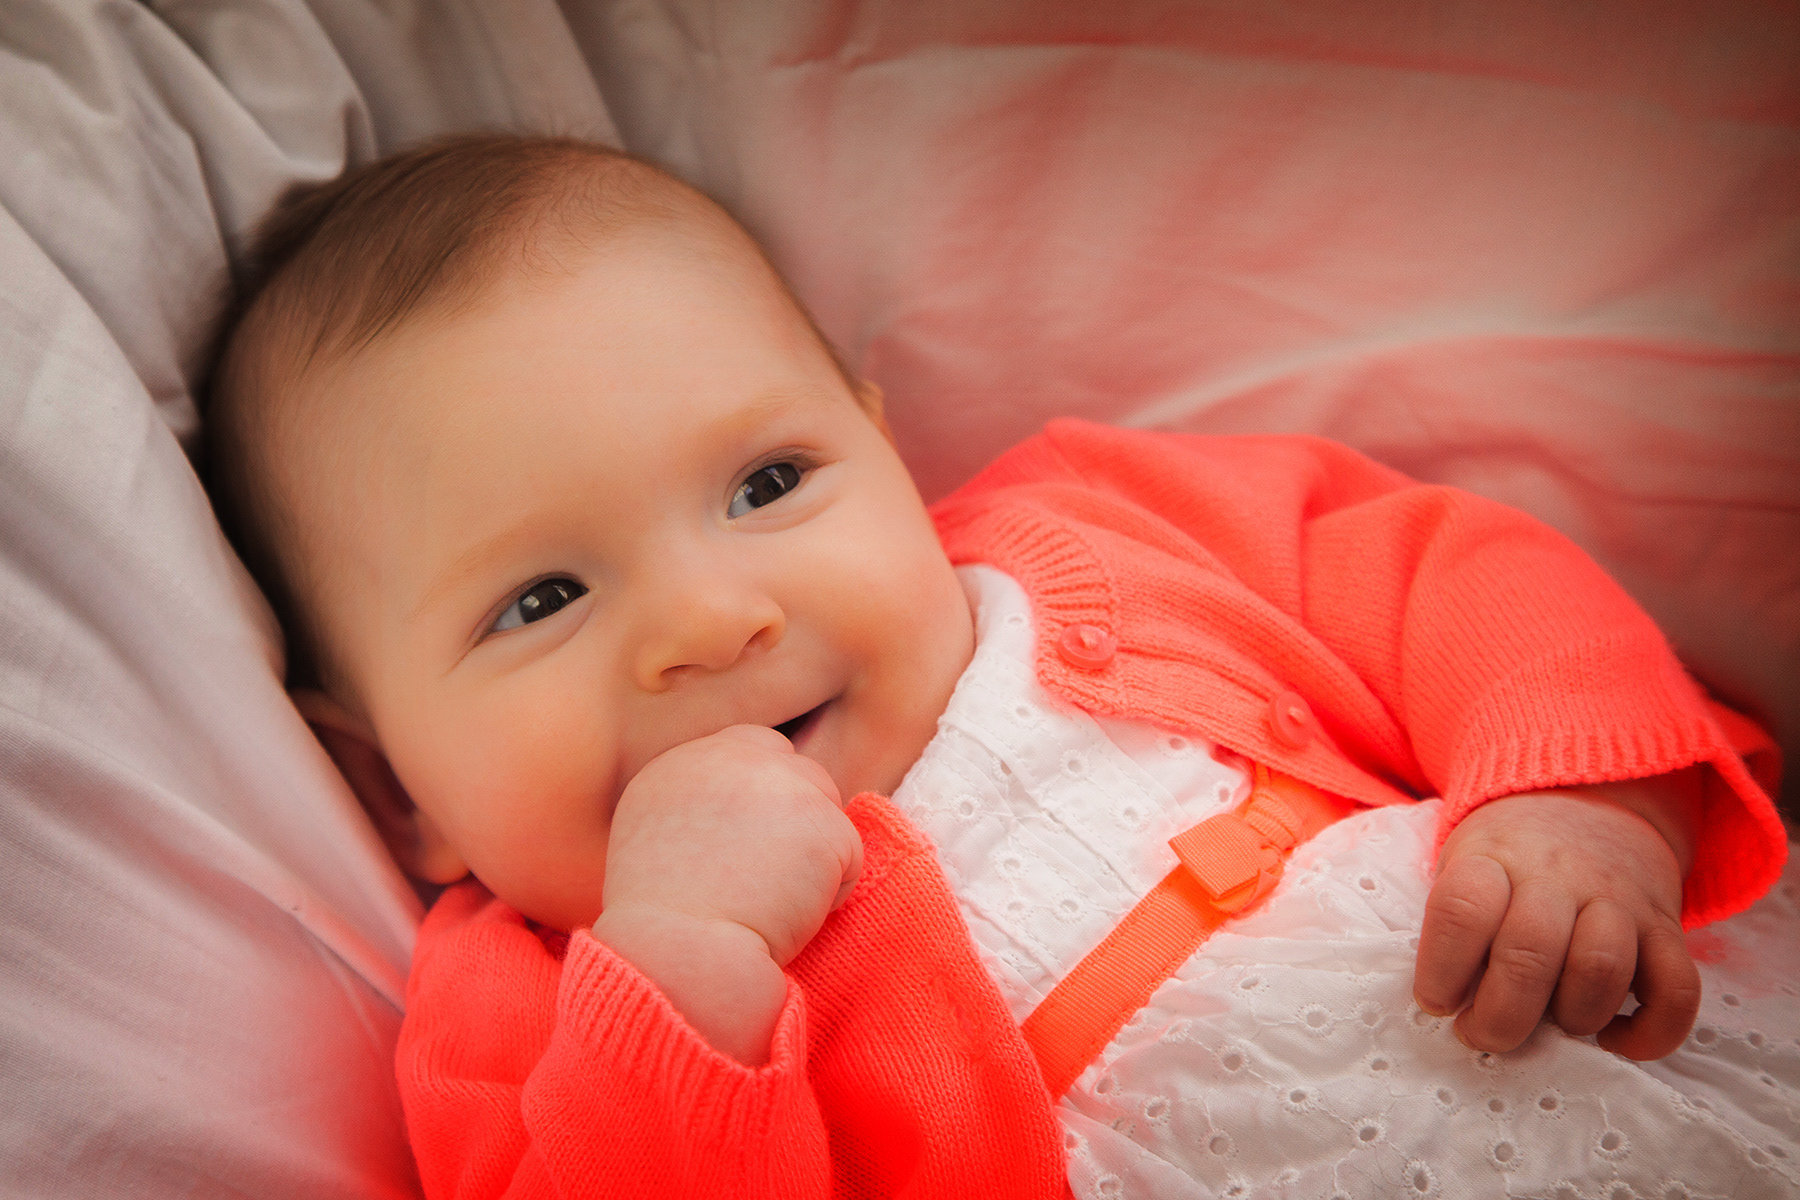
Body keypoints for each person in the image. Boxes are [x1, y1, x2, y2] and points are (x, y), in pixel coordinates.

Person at [204, 134, 1788, 1199]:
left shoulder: (1087, 532)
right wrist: (681, 962)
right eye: (541, 598)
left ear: (888, 457)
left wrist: (1581, 807)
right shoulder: (530, 1014)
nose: (711, 621)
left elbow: (1449, 581)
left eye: (768, 484)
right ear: (397, 792)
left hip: (1613, 1046)